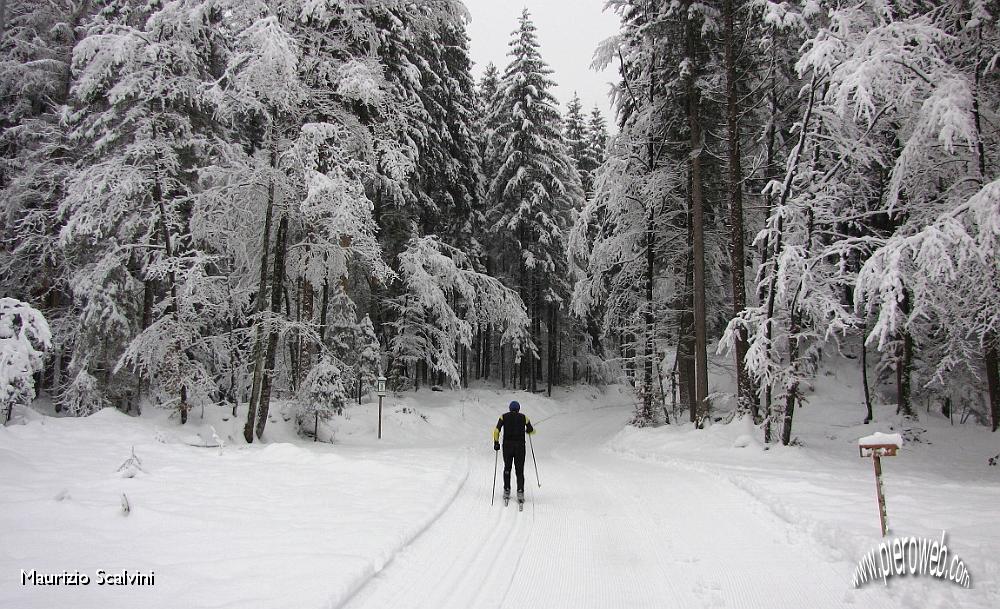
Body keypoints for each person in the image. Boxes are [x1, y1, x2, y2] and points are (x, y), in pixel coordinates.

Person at [493, 400, 534, 505]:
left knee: (507, 468)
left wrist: (496, 442)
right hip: (520, 447)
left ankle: (506, 490)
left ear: (510, 408)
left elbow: (496, 430)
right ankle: (520, 492)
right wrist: (527, 431)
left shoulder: (503, 416)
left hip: (507, 446)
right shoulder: (524, 417)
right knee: (519, 470)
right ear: (518, 408)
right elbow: (531, 430)